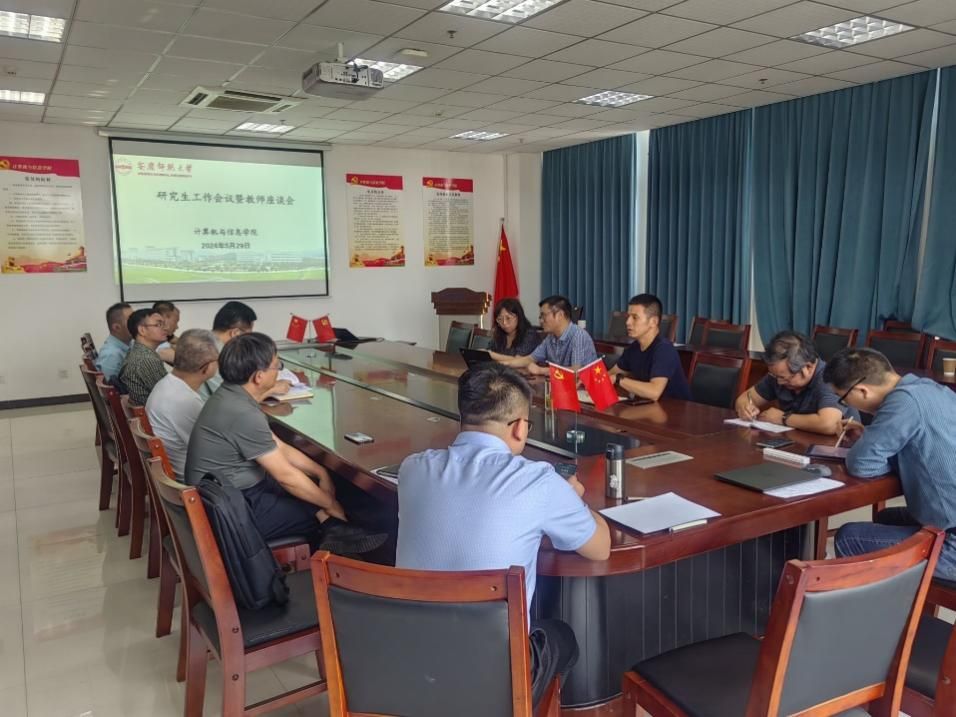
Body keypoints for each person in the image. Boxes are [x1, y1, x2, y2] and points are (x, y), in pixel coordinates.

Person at [396, 363, 611, 704]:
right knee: (562, 637)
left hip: (406, 662)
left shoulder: (412, 469)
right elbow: (600, 549)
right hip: (490, 676)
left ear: (462, 417)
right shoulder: (538, 482)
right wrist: (574, 499)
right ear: (520, 428)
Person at [184, 332, 387, 555]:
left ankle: (335, 529)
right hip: (231, 510)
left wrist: (321, 472)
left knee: (311, 491)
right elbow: (285, 476)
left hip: (230, 495)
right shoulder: (241, 413)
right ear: (259, 377)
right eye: (277, 366)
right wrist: (330, 503)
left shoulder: (231, 395)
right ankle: (345, 551)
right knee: (310, 504)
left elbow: (278, 446)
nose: (279, 370)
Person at [823, 347, 956, 580]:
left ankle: (885, 604)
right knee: (886, 518)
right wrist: (870, 437)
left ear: (862, 391)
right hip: (949, 518)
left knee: (849, 537)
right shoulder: (931, 389)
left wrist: (871, 447)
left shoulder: (903, 402)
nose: (845, 405)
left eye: (843, 398)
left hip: (952, 542)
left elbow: (861, 465)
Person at [734, 330, 857, 434]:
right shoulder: (778, 374)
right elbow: (745, 398)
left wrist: (783, 418)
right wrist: (745, 408)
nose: (779, 382)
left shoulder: (829, 379)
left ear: (808, 367)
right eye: (775, 376)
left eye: (785, 378)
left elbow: (829, 424)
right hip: (797, 441)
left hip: (836, 447)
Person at [146, 329, 219, 479]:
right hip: (190, 480)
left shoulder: (167, 383)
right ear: (207, 367)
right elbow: (212, 451)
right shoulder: (185, 400)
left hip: (174, 469)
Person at [609, 294, 690, 401]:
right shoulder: (634, 348)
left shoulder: (664, 349)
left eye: (635, 317)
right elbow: (610, 375)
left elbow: (654, 392)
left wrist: (619, 379)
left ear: (653, 322)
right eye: (628, 316)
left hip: (676, 408)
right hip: (649, 407)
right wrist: (591, 379)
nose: (628, 322)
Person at [492, 295, 598, 376]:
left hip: (585, 391)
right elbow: (529, 359)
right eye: (540, 317)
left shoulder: (578, 336)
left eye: (544, 316)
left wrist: (541, 370)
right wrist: (503, 364)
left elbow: (576, 372)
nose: (541, 321)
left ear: (560, 315)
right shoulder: (550, 338)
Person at [203, 301, 288, 399]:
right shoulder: (214, 355)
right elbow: (231, 399)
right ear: (236, 333)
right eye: (249, 334)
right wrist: (271, 389)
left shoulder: (203, 339)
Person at [118, 308, 169, 406]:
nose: (165, 328)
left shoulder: (138, 352)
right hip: (151, 413)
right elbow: (169, 397)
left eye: (164, 324)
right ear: (142, 330)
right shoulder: (146, 360)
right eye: (158, 324)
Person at [95, 302, 133, 381]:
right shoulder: (111, 355)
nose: (137, 323)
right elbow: (111, 387)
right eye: (131, 320)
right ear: (116, 327)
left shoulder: (128, 343)